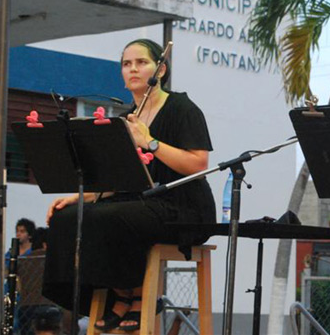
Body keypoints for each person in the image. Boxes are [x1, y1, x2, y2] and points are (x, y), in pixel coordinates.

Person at [43, 38, 216, 332]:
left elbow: (198, 164)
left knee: (113, 216)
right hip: (141, 203)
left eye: (141, 62)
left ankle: (133, 296)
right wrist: (79, 197)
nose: (133, 69)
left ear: (159, 70)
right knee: (67, 218)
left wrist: (150, 142)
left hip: (183, 207)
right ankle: (114, 296)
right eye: (127, 64)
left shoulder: (182, 108)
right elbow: (118, 179)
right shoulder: (124, 119)